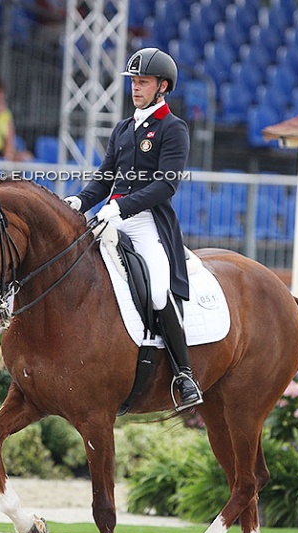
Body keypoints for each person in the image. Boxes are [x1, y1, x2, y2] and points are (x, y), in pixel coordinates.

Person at [64, 47, 203, 411]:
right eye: (134, 82)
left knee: (158, 291)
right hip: (110, 216)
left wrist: (121, 206)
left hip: (146, 223)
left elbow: (165, 185)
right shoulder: (124, 129)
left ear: (163, 87)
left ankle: (184, 374)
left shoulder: (173, 129)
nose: (136, 88)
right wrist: (80, 202)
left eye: (143, 82)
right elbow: (105, 176)